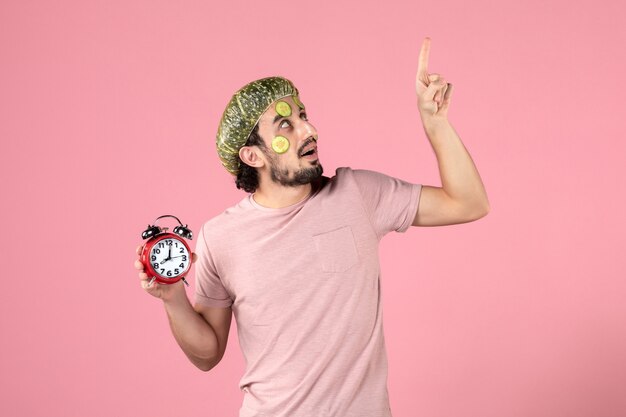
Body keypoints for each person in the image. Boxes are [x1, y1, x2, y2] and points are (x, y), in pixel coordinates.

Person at [134, 37, 489, 417]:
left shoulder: (359, 194)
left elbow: (468, 202)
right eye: (286, 125)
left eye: (303, 116)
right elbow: (207, 354)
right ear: (252, 156)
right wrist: (172, 300)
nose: (309, 130)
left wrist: (435, 123)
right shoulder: (220, 237)